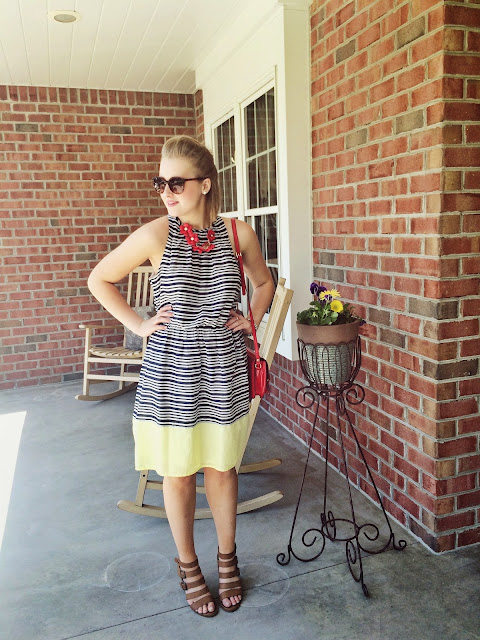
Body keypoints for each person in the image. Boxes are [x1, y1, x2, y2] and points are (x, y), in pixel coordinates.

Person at [88, 135, 274, 617]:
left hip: (223, 369)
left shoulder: (238, 234)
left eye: (176, 182)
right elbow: (99, 279)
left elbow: (264, 282)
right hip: (172, 372)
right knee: (177, 473)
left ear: (205, 184)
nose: (166, 192)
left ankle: (227, 559)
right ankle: (188, 565)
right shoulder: (155, 235)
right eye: (160, 183)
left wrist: (251, 317)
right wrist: (139, 325)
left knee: (222, 469)